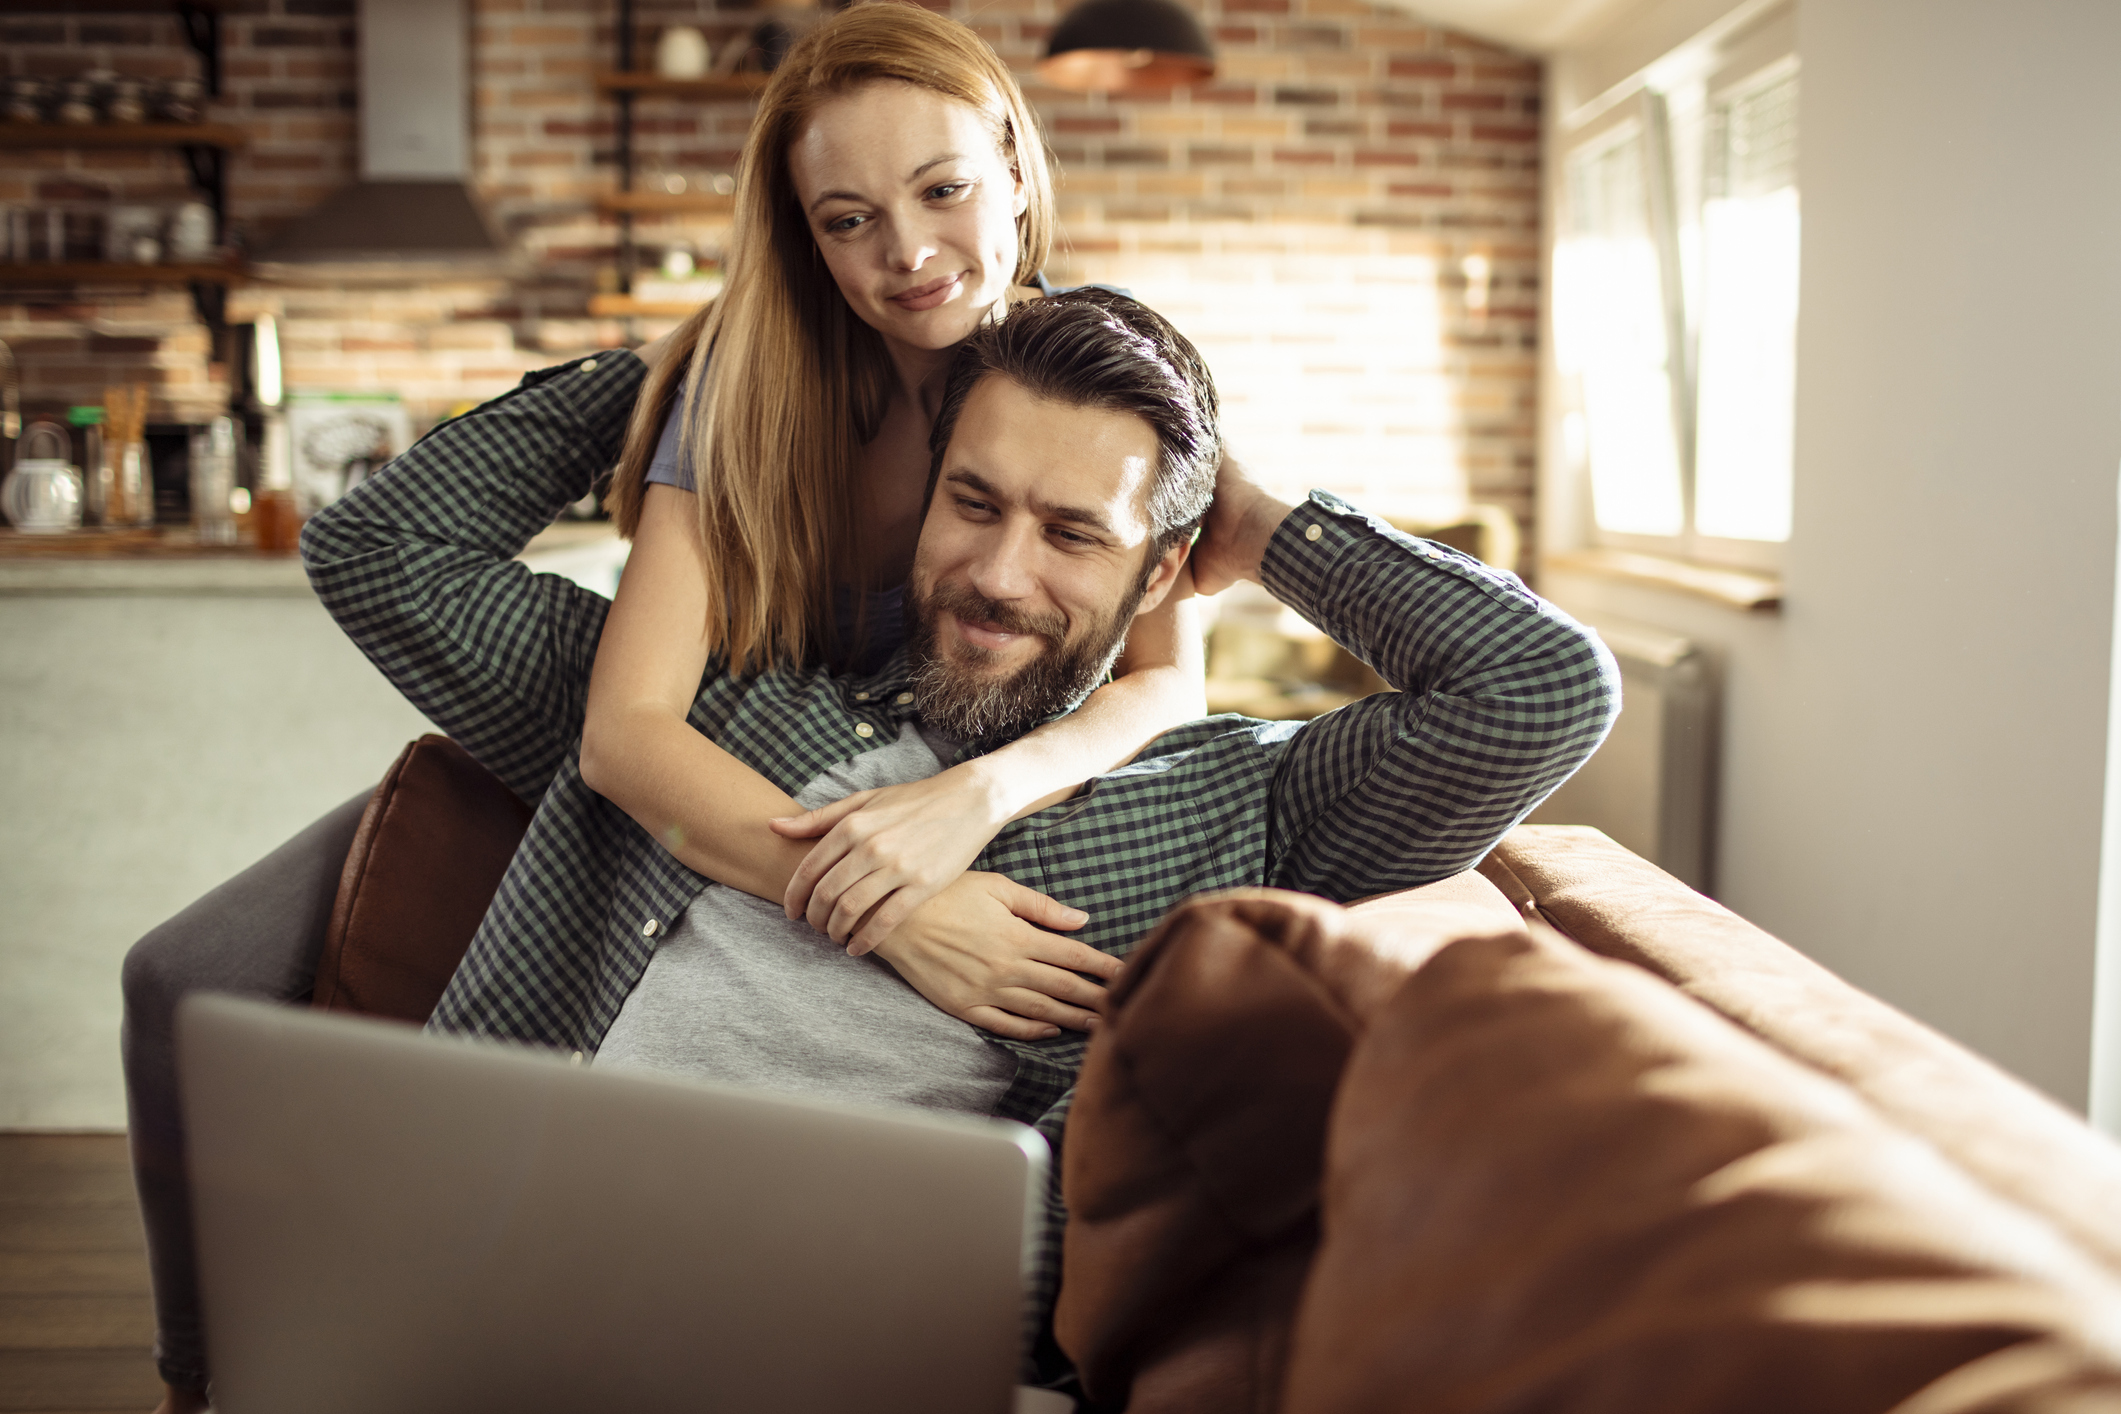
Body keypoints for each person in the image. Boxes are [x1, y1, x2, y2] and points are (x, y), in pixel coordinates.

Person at [123, 10, 1194, 1409]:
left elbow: (1170, 673)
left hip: (910, 781)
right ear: (797, 234)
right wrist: (685, 354)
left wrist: (979, 797)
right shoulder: (752, 379)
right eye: (845, 219)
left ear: (1011, 159)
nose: (909, 255)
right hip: (701, 746)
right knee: (177, 970)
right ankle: (210, 1381)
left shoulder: (1096, 380)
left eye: (942, 191)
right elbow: (627, 735)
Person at [298, 287, 1621, 1386]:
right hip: (504, 1283)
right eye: (973, 502)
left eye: (1072, 534)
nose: (997, 575)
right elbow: (379, 553)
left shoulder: (1239, 802)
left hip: (851, 1350)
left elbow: (1541, 691)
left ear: (1162, 570)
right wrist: (701, 355)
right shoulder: (717, 703)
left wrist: (1255, 520)